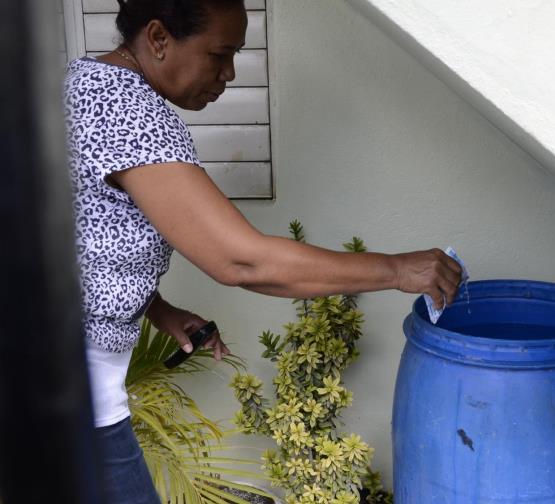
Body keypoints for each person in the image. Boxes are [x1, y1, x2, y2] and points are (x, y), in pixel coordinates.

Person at [63, 0, 463, 502]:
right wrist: (399, 270)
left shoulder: (86, 82)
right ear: (159, 38)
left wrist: (156, 308)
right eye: (219, 54)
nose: (230, 73)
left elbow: (83, 230)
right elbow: (241, 260)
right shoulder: (124, 109)